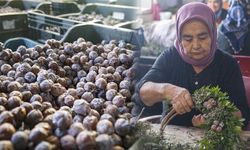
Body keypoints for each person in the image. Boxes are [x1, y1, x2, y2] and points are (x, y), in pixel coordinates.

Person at [133, 2, 250, 127]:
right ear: (179, 38)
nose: (196, 45)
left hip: (211, 141)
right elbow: (141, 94)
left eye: (203, 37)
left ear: (212, 33)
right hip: (171, 136)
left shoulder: (227, 64)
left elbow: (243, 114)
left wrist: (218, 116)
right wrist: (168, 90)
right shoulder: (170, 57)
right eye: (188, 39)